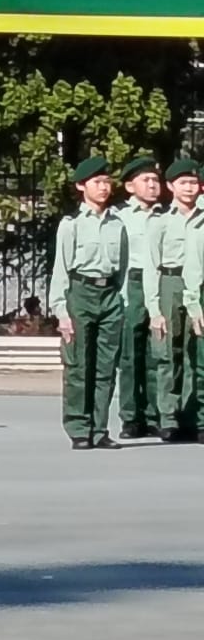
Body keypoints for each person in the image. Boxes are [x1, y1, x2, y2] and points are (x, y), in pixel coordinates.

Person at [51, 156, 130, 449]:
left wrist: (119, 301)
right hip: (80, 292)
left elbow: (121, 267)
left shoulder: (117, 225)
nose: (104, 187)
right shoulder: (71, 225)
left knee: (106, 367)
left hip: (108, 294)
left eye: (107, 181)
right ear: (81, 186)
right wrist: (61, 310)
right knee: (79, 364)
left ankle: (99, 428)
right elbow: (61, 269)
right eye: (97, 182)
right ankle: (79, 428)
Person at [152, 159, 203, 441]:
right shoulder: (161, 220)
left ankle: (192, 415)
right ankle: (168, 416)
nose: (189, 188)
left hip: (198, 283)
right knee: (169, 351)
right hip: (170, 281)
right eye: (183, 183)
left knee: (195, 350)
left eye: (193, 183)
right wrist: (153, 303)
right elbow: (151, 264)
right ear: (171, 186)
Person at [116, 157, 164, 438]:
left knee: (157, 352)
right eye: (146, 180)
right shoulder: (120, 216)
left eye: (155, 180)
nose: (152, 185)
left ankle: (155, 414)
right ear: (129, 186)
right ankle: (131, 418)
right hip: (132, 285)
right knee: (130, 355)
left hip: (159, 283)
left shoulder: (167, 215)